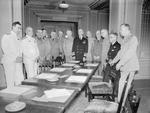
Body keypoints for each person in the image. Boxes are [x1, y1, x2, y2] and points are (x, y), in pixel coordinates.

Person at [110, 24, 139, 103]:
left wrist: (120, 64)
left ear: (127, 30)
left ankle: (121, 105)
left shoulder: (133, 38)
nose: (120, 31)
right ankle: (119, 103)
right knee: (121, 84)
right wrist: (114, 61)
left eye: (121, 29)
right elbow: (120, 53)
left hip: (130, 66)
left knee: (126, 87)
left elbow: (130, 53)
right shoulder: (124, 39)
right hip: (125, 67)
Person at [1, 21, 24, 87]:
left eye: (20, 28)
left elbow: (20, 50)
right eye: (18, 28)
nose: (19, 30)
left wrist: (20, 57)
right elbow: (5, 49)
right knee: (10, 81)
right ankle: (9, 96)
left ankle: (18, 94)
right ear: (13, 27)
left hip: (17, 62)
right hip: (9, 61)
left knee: (19, 80)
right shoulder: (7, 36)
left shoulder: (18, 38)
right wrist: (15, 58)